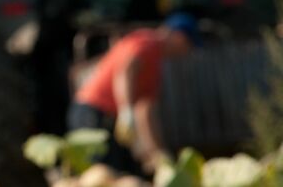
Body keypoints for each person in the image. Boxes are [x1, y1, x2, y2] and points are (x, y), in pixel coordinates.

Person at [68, 13, 201, 175]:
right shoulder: (147, 41)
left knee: (123, 172)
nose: (186, 53)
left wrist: (158, 152)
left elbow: (145, 111)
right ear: (180, 37)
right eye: (189, 47)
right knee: (101, 173)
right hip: (91, 111)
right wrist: (126, 109)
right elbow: (125, 71)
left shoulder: (155, 64)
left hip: (109, 117)